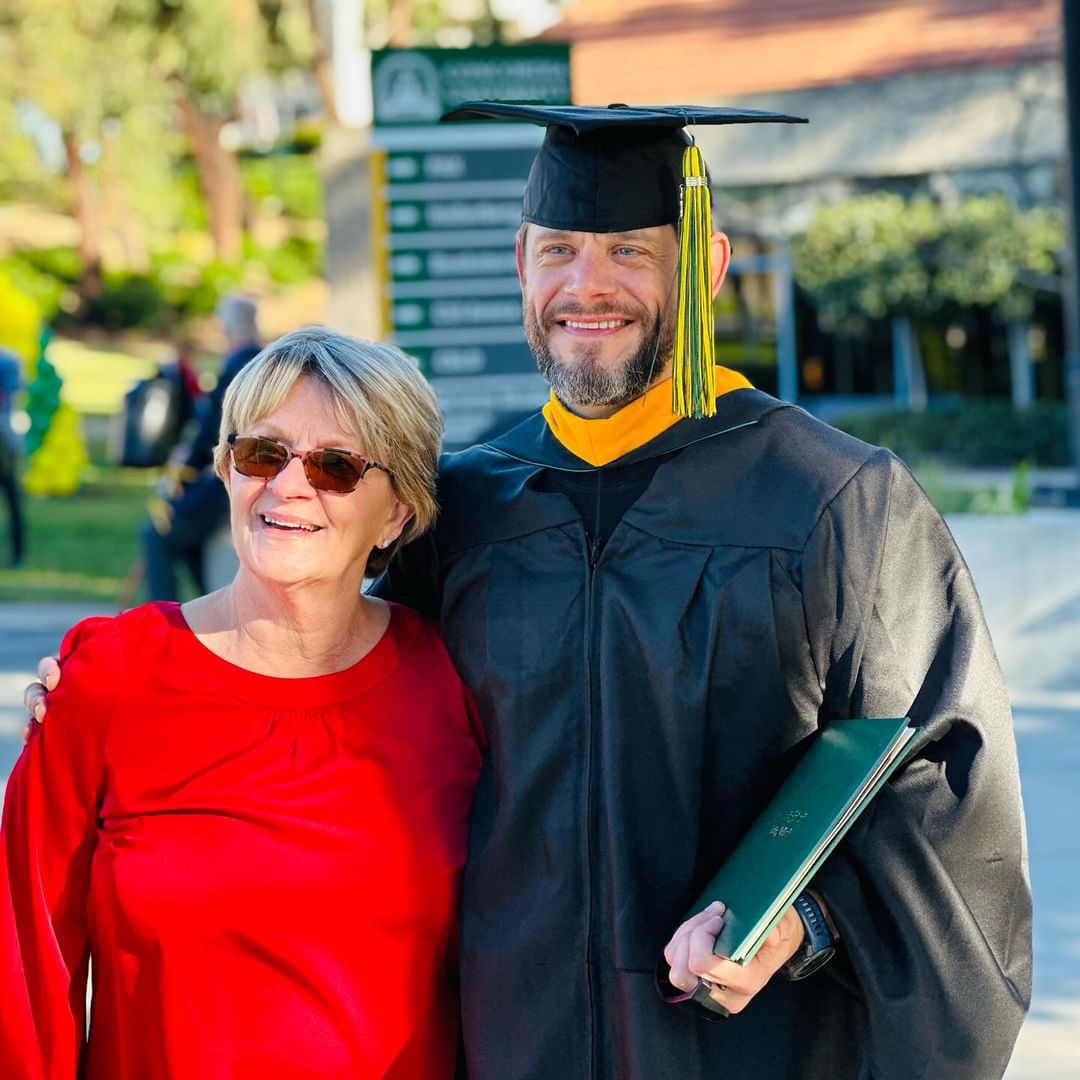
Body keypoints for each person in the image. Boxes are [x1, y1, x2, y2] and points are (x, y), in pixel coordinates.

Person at [23, 104, 1031, 1080]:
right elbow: (329, 679)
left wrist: (807, 924)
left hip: (741, 1049)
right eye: (557, 250)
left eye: (631, 252)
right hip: (508, 1049)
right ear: (519, 266)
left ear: (708, 270)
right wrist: (113, 686)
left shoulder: (837, 507)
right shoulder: (469, 508)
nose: (586, 285)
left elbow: (948, 794)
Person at [3, 327, 482, 1078]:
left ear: (398, 515)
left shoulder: (456, 687)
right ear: (227, 471)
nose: (289, 486)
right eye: (262, 453)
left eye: (336, 466)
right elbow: (26, 978)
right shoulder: (108, 680)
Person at [140, 293, 262, 599]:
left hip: (224, 482)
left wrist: (187, 463)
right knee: (189, 542)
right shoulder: (262, 364)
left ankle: (161, 621)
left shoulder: (237, 370)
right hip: (241, 478)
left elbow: (216, 435)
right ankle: (204, 609)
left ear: (226, 329)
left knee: (157, 535)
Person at [0, 345, 25, 567]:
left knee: (12, 498)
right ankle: (17, 553)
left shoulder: (7, 360)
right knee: (12, 499)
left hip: (4, 437)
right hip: (8, 436)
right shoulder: (10, 359)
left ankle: (17, 553)